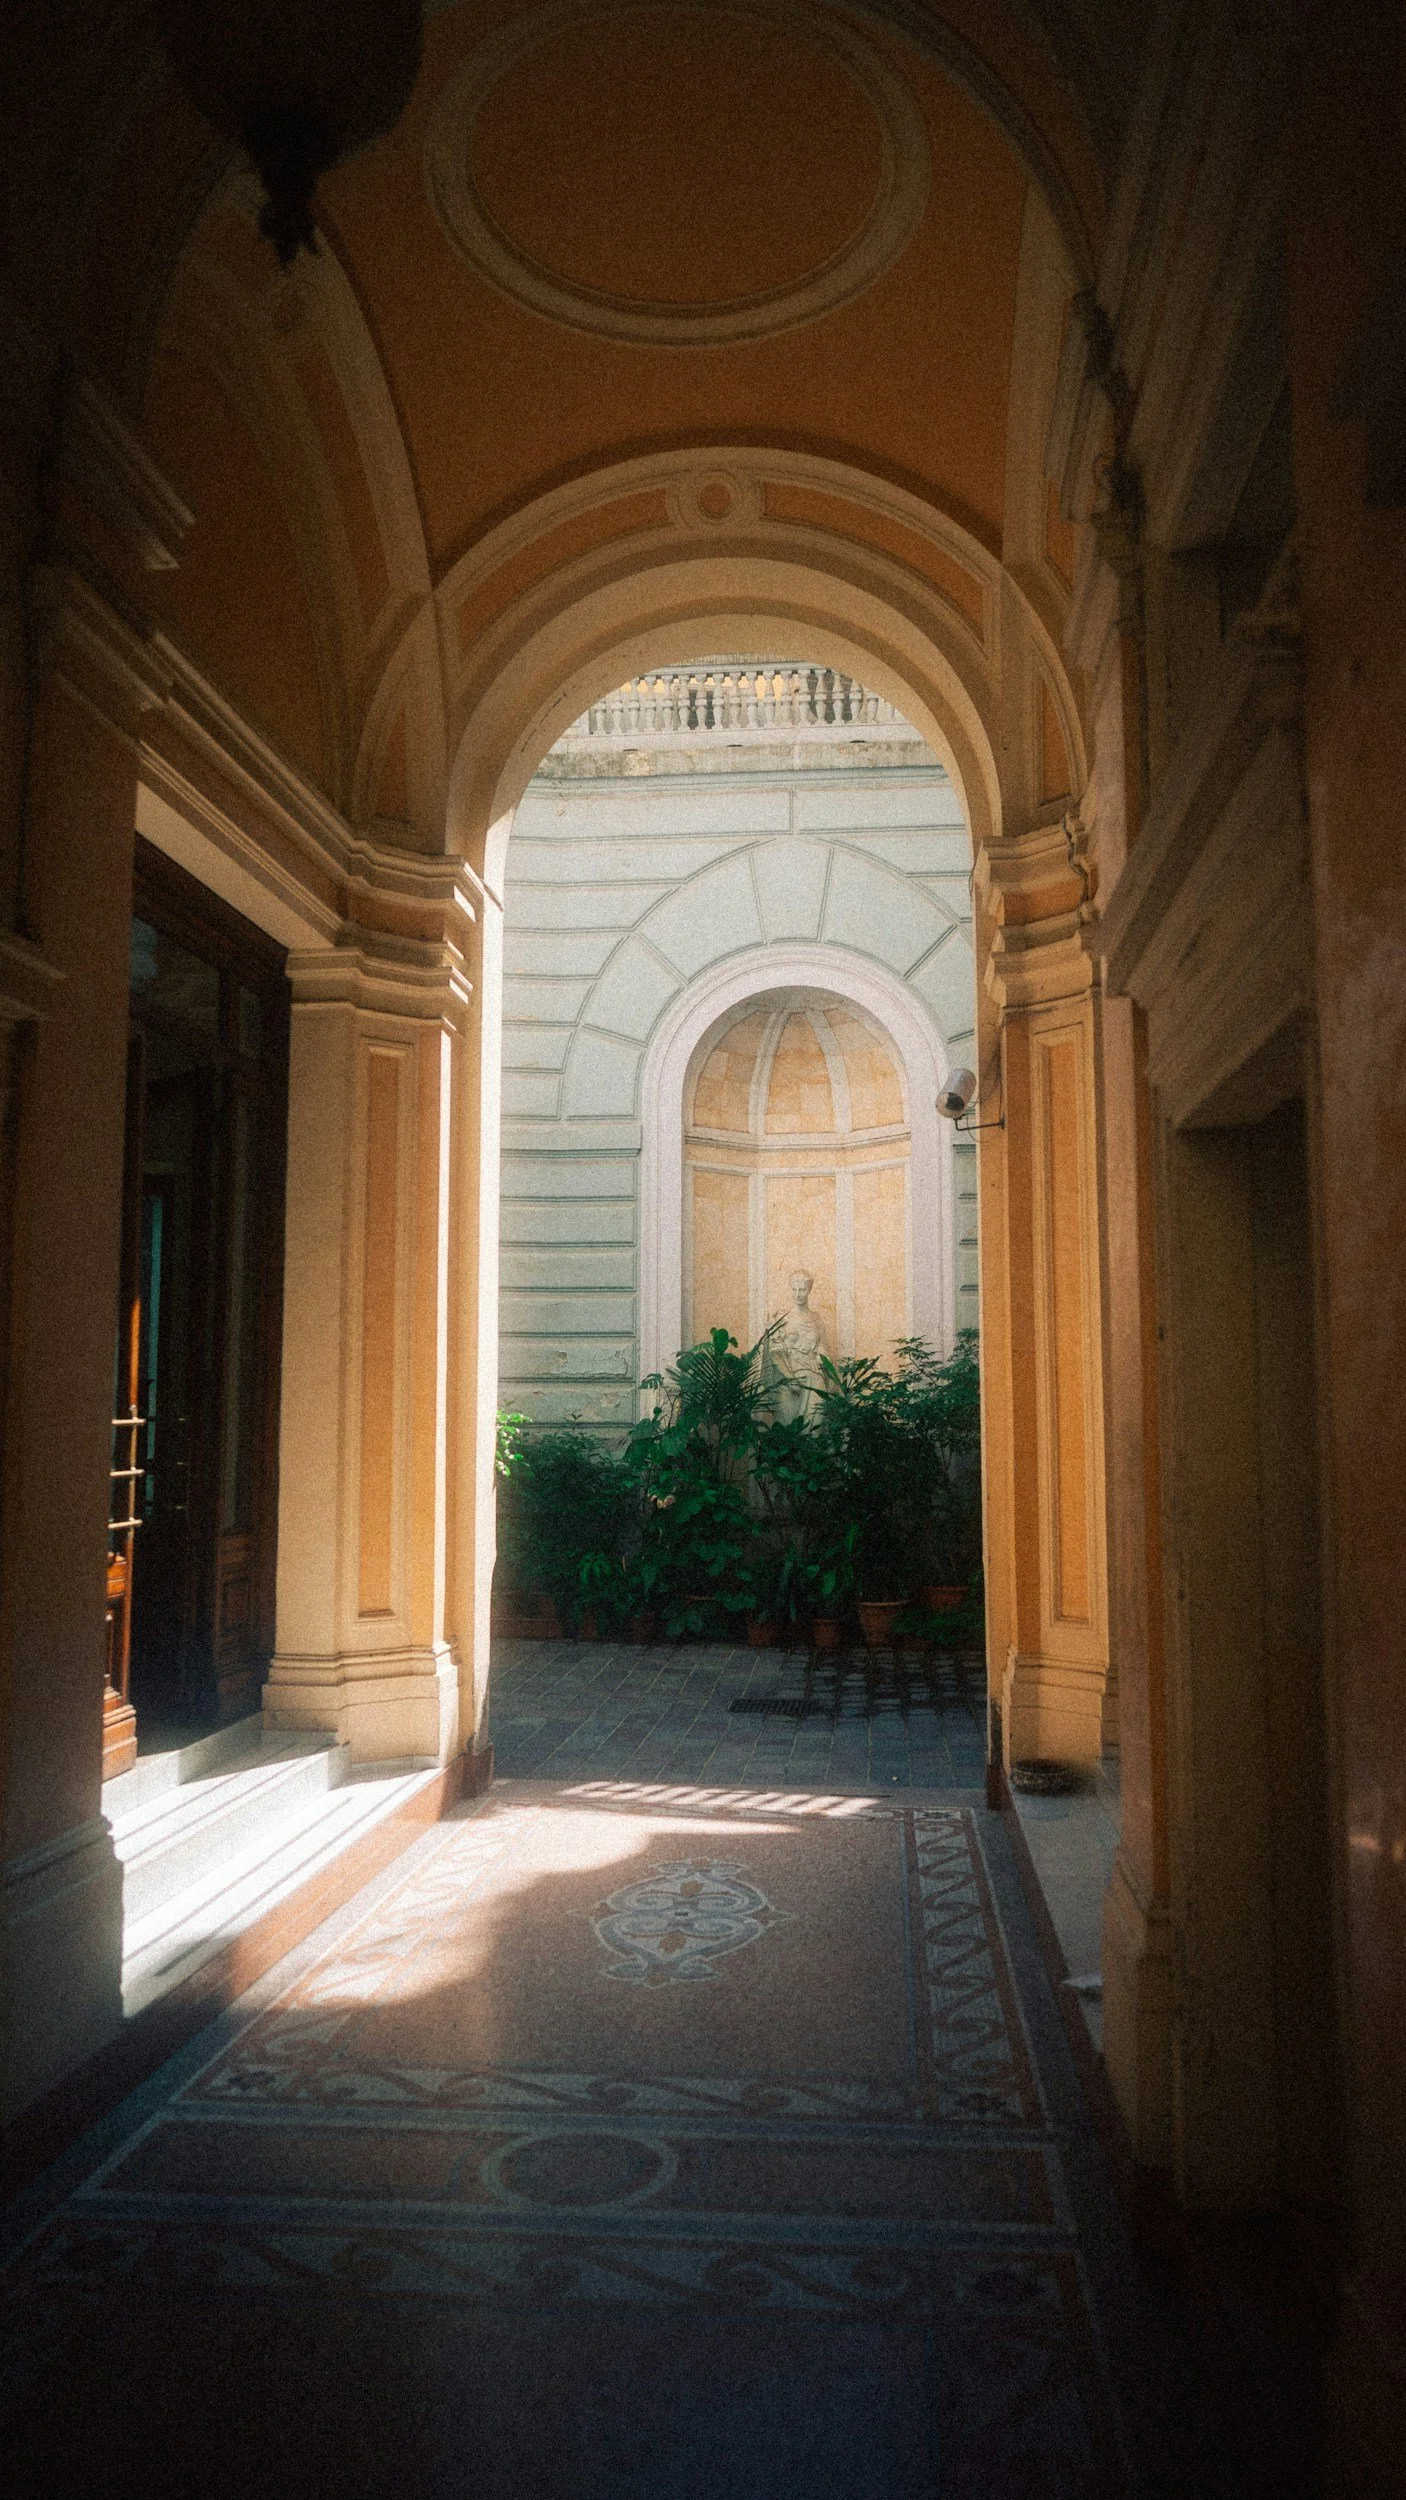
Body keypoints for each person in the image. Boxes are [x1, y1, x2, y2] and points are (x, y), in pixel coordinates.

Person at [767, 1269, 831, 1424]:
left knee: (817, 1425)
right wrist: (790, 1378)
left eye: (802, 1290)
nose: (798, 1294)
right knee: (788, 1428)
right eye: (794, 1290)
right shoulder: (782, 1318)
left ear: (809, 1290)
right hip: (790, 1380)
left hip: (814, 1378)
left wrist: (822, 1356)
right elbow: (775, 1353)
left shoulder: (817, 1320)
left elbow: (824, 1349)